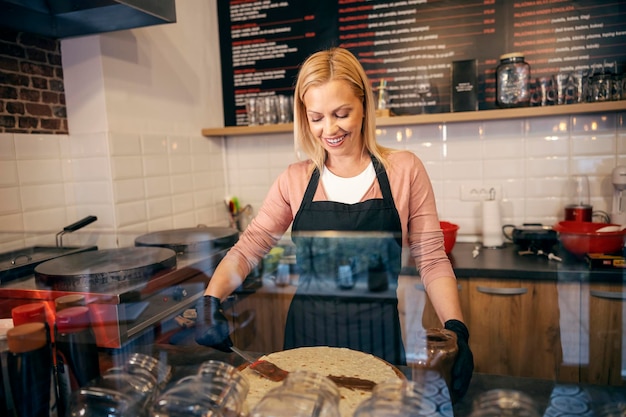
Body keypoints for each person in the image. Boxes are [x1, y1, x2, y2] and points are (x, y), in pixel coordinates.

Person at [194, 47, 473, 401]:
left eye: (342, 113)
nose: (330, 129)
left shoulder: (403, 170)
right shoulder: (294, 180)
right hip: (306, 341)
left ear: (364, 105)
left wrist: (457, 329)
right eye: (316, 117)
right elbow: (249, 248)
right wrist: (210, 300)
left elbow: (431, 258)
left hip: (378, 338)